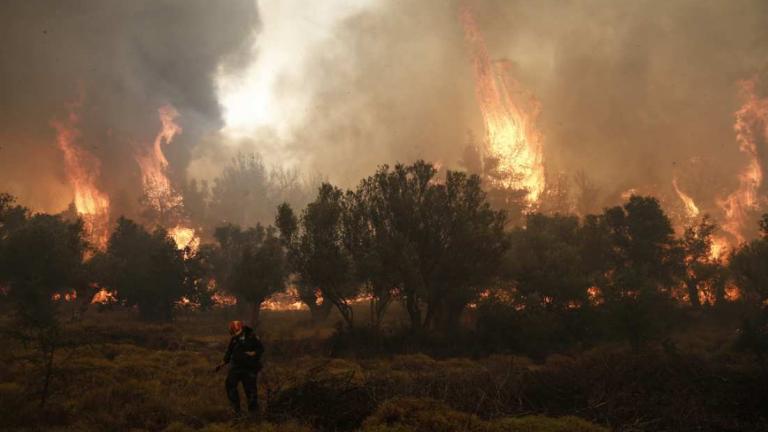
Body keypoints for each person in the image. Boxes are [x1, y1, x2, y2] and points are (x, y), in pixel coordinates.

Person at [215, 320, 264, 417]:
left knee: (250, 390)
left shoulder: (252, 337)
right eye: (232, 331)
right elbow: (229, 352)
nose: (234, 333)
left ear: (240, 329)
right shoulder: (234, 339)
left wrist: (253, 353)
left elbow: (261, 349)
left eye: (235, 331)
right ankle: (236, 410)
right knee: (230, 385)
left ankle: (254, 414)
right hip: (236, 367)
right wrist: (222, 363)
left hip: (249, 368)